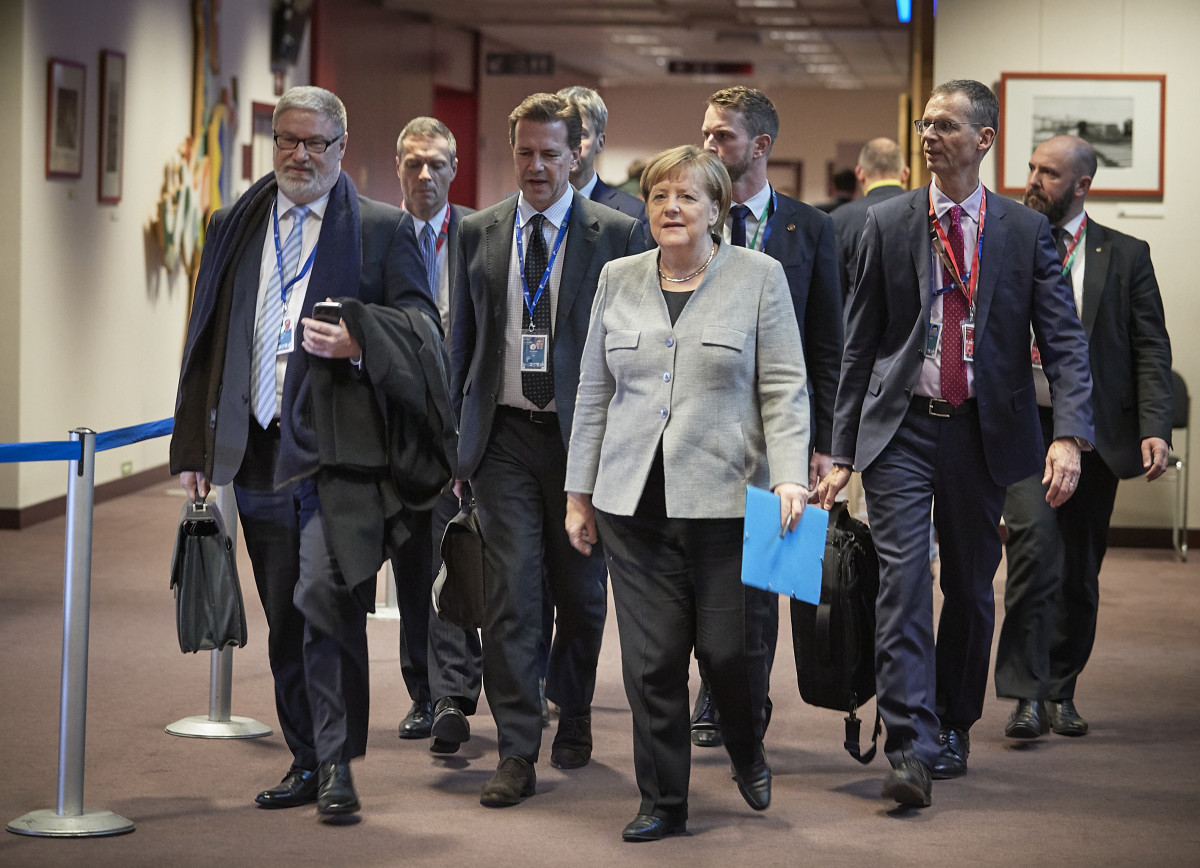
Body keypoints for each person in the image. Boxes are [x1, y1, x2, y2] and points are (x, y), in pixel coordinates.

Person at [815, 79, 1095, 808]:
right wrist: (839, 452)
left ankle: (954, 722)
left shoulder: (1023, 231)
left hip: (983, 431)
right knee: (904, 582)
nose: (929, 135)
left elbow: (1064, 342)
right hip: (902, 428)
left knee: (969, 587)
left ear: (984, 139)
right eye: (924, 123)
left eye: (945, 124)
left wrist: (1069, 434)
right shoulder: (888, 222)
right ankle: (909, 744)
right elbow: (859, 346)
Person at [170, 86, 445, 818]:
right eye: (287, 140)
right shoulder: (235, 224)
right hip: (258, 449)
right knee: (284, 616)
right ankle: (306, 757)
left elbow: (424, 329)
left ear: (341, 148)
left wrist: (362, 338)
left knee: (325, 599)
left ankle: (336, 767)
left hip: (339, 456)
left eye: (315, 143)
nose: (300, 155)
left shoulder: (382, 230)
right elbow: (206, 336)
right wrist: (195, 440)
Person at [564, 145, 810, 841]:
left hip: (731, 504)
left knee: (730, 654)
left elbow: (784, 385)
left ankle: (746, 748)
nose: (671, 207)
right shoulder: (618, 278)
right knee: (653, 663)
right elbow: (593, 390)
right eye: (659, 196)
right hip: (633, 506)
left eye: (688, 196)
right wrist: (578, 493)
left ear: (717, 210)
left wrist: (790, 474)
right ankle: (663, 801)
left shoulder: (759, 276)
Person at [449, 92, 646, 808]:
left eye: (550, 154)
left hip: (580, 442)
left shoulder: (615, 232)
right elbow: (462, 342)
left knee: (581, 593)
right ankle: (515, 748)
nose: (536, 166)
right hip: (503, 436)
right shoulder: (478, 231)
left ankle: (577, 705)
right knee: (512, 594)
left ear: (576, 154)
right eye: (525, 153)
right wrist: (458, 445)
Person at [996, 134, 1172, 740]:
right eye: (1031, 168)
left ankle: (1060, 689)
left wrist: (1155, 426)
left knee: (1078, 570)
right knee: (1033, 549)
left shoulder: (1125, 254)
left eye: (1047, 173)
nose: (1032, 180)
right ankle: (1025, 694)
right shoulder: (1009, 241)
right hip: (1024, 426)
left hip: (1094, 431)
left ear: (1082, 185)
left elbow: (1150, 347)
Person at [691, 85, 842, 747]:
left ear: (760, 146)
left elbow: (828, 343)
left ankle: (745, 700)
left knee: (764, 576)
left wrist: (825, 442)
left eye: (721, 135)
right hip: (701, 426)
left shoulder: (810, 228)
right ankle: (713, 687)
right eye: (705, 132)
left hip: (780, 428)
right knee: (704, 570)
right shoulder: (689, 217)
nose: (708, 145)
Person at [391, 116, 484, 754]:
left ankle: (454, 691)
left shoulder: (477, 235)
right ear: (399, 168)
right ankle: (423, 692)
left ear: (454, 169)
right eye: (413, 163)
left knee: (458, 554)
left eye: (437, 164)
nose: (425, 174)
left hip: (462, 427)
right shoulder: (377, 234)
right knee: (410, 564)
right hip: (398, 428)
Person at [557, 85, 649, 238]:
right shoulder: (534, 206)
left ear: (600, 143)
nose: (571, 144)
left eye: (581, 134)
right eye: (562, 134)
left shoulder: (633, 213)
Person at [832, 137, 910, 299]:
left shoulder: (839, 218)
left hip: (856, 313)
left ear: (859, 173)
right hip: (914, 315)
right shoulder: (926, 211)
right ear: (905, 174)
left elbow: (834, 289)